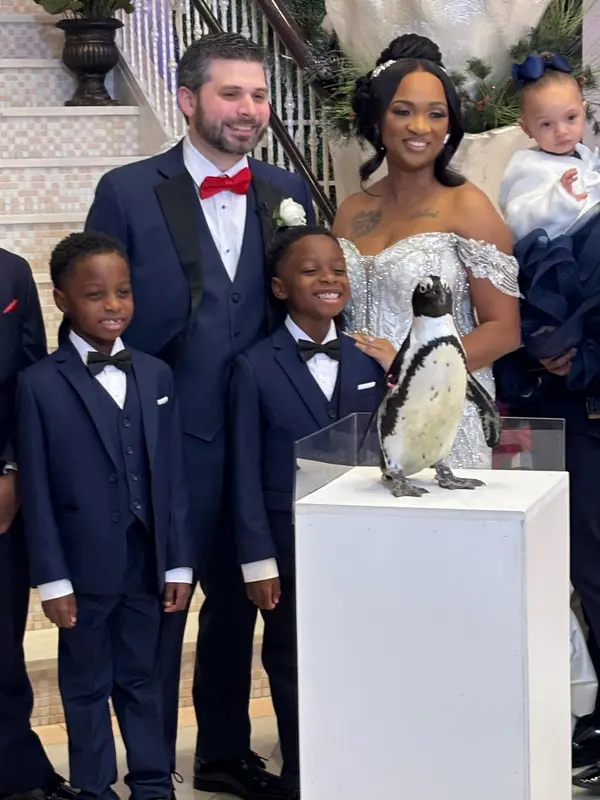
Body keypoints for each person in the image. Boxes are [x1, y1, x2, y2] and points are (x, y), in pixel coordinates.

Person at [85, 31, 315, 799]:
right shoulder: (128, 191)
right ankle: (151, 768)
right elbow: (95, 316)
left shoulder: (286, 188)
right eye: (231, 93)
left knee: (246, 600)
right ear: (188, 100)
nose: (249, 109)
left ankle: (224, 752)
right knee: (161, 607)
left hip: (264, 444)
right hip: (167, 441)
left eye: (259, 94)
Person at [15, 232, 194, 800]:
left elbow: (172, 478)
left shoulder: (157, 375)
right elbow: (36, 489)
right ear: (62, 299)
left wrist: (178, 563)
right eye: (96, 295)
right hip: (82, 568)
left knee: (144, 680)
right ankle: (93, 789)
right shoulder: (38, 384)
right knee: (86, 686)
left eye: (123, 292)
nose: (113, 305)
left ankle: (152, 784)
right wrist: (53, 579)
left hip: (147, 562)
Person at [229, 223, 387, 797]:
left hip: (361, 544)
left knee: (359, 658)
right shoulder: (253, 366)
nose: (329, 278)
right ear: (279, 287)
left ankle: (359, 769)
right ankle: (303, 776)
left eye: (338, 269)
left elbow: (386, 452)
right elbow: (244, 470)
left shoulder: (370, 360)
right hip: (288, 547)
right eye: (311, 270)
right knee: (293, 661)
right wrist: (257, 561)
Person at [332, 33, 521, 470]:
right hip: (359, 414)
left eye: (436, 114)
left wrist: (409, 369)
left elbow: (504, 330)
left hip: (443, 414)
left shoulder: (468, 207)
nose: (420, 127)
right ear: (378, 119)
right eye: (403, 111)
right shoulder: (350, 210)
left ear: (449, 124)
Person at [0, 248, 72, 800]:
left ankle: (18, 774)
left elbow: (26, 377)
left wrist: (12, 469)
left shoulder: (11, 272)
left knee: (4, 646)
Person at [499, 52, 599, 244]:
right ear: (527, 128)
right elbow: (518, 223)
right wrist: (560, 195)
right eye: (546, 124)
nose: (561, 131)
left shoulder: (583, 153)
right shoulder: (527, 167)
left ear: (583, 110)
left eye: (571, 118)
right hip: (565, 249)